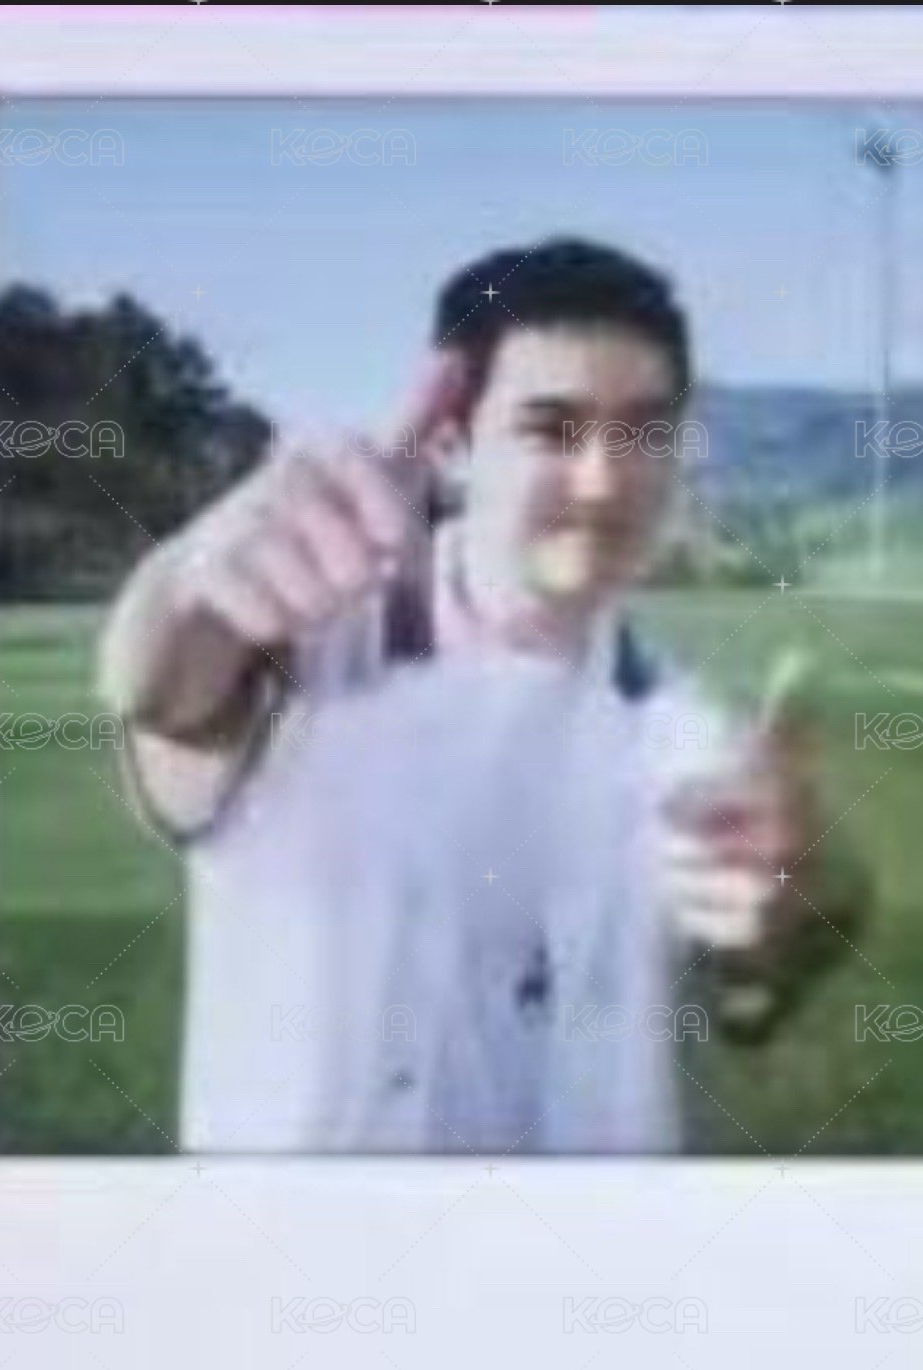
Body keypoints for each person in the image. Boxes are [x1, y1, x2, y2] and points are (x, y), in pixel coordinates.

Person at [98, 237, 855, 1154]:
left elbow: (760, 978)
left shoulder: (686, 731)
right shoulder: (298, 652)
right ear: (454, 443)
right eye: (552, 429)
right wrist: (186, 579)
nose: (603, 481)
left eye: (643, 432)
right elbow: (160, 693)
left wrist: (794, 905)